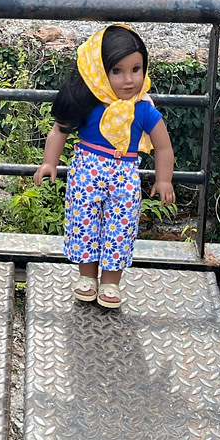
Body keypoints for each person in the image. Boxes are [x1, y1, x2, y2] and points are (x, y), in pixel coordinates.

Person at [33, 24, 175, 309]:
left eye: (136, 69)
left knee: (120, 228)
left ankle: (111, 281)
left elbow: (163, 147)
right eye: (117, 71)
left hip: (125, 176)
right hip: (86, 173)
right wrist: (49, 162)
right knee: (83, 223)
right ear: (99, 71)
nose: (129, 80)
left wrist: (164, 180)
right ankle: (87, 276)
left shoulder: (142, 109)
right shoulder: (88, 103)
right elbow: (60, 130)